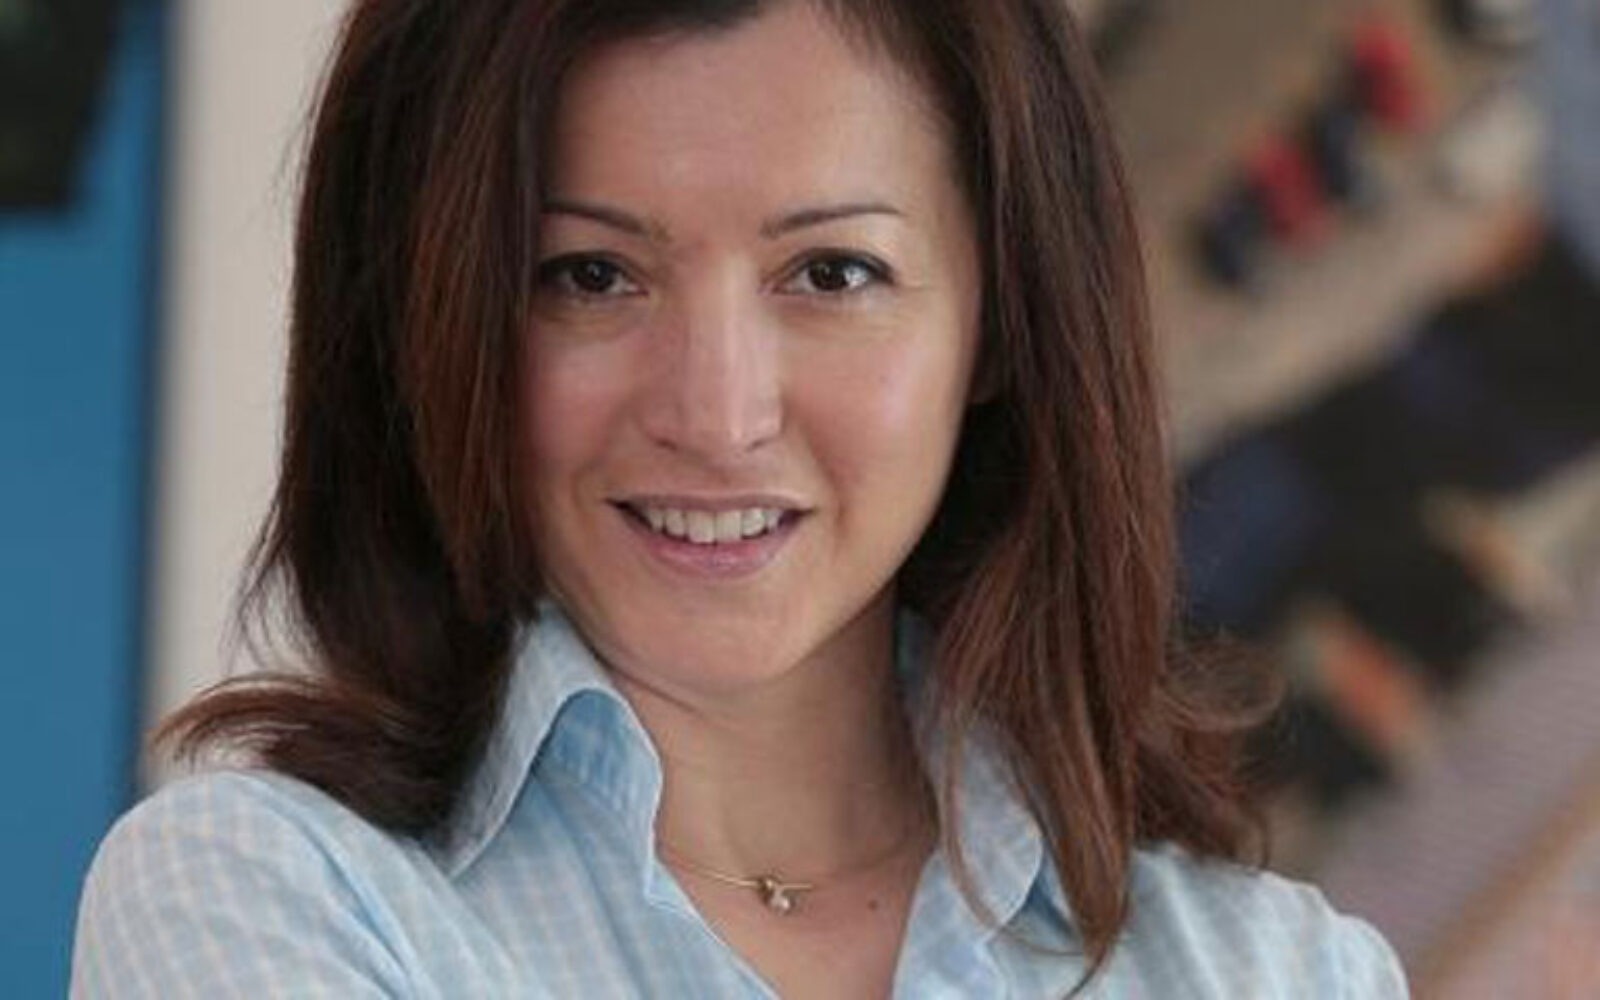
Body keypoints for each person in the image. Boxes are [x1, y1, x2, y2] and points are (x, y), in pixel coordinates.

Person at [72, 0, 1408, 996]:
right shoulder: (259, 900)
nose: (716, 415)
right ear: (432, 326)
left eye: (831, 274)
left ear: (1003, 321)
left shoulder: (1278, 973)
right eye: (590, 276)